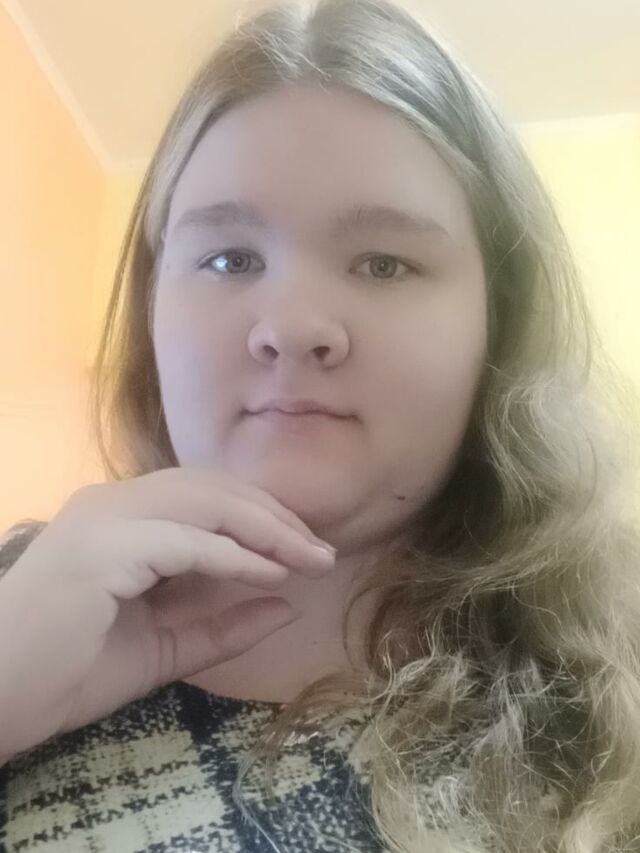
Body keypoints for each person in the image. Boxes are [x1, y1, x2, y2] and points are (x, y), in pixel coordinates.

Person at [1, 0, 640, 850]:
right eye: (229, 258)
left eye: (384, 263)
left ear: (499, 321)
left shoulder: (617, 667)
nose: (293, 326)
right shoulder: (21, 595)